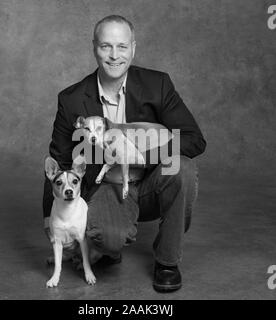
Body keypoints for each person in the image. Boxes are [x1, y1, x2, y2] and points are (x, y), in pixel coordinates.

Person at [43, 15, 206, 293]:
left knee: (182, 168)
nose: (114, 55)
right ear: (94, 47)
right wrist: (49, 218)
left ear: (133, 48)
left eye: (122, 46)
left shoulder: (158, 84)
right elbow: (60, 160)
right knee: (108, 237)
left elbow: (194, 140)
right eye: (106, 46)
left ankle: (167, 261)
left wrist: (143, 157)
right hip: (109, 186)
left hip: (153, 182)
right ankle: (107, 245)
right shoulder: (71, 99)